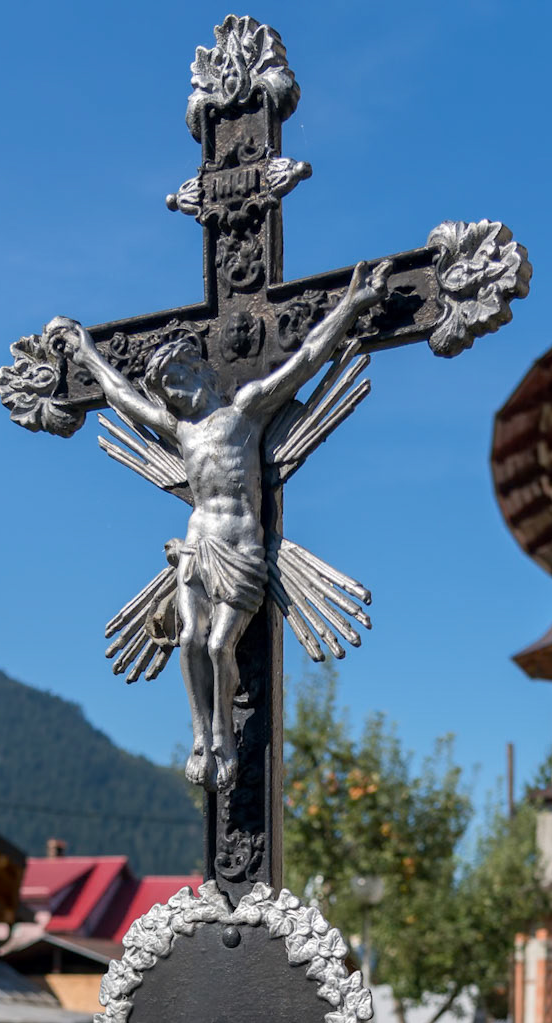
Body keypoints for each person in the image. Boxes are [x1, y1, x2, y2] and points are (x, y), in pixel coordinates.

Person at [42, 256, 391, 792]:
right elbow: (119, 395)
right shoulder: (180, 431)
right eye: (162, 386)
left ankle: (225, 737)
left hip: (241, 544)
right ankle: (203, 736)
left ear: (199, 371)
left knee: (219, 645)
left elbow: (305, 361)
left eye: (174, 379)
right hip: (197, 544)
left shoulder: (244, 411)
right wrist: (86, 351)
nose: (168, 392)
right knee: (187, 641)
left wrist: (351, 303)